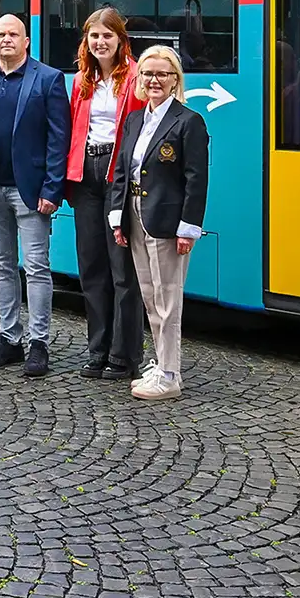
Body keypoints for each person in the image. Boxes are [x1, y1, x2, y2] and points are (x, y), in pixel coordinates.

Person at [0, 14, 70, 377]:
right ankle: (9, 339)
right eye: (1, 34)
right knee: (3, 266)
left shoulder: (48, 79)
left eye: (13, 34)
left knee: (36, 267)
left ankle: (39, 343)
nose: (6, 39)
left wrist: (53, 187)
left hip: (32, 192)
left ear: (27, 42)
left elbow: (59, 139)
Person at [110, 46, 209, 401]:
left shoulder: (188, 121)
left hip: (167, 220)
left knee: (169, 300)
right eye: (148, 73)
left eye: (162, 74)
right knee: (150, 297)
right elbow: (123, 169)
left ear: (175, 80)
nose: (154, 80)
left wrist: (188, 227)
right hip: (135, 214)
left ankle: (170, 374)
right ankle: (161, 362)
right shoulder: (136, 119)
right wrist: (117, 217)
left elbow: (196, 179)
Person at [65, 7, 145, 380]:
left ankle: (124, 354)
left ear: (120, 39)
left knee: (122, 270)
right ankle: (97, 349)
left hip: (119, 177)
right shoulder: (83, 80)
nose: (100, 42)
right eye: (94, 36)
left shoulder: (134, 79)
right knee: (92, 267)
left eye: (106, 36)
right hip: (86, 176)